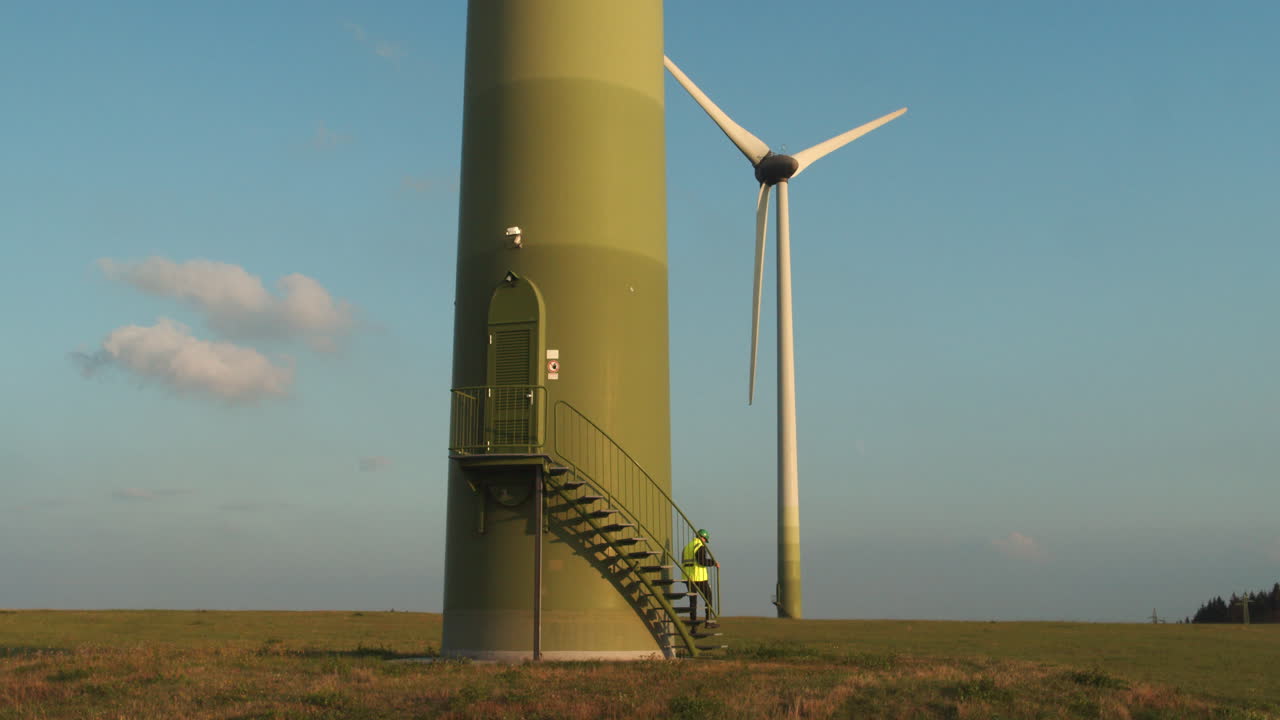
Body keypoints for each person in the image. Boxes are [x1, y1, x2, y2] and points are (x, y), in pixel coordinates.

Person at [681, 529, 720, 628]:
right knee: (708, 597)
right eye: (705, 540)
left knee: (693, 601)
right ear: (703, 538)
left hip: (687, 577)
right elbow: (702, 561)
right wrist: (713, 563)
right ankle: (708, 621)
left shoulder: (687, 547)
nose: (705, 543)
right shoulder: (700, 546)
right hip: (699, 577)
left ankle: (693, 626)